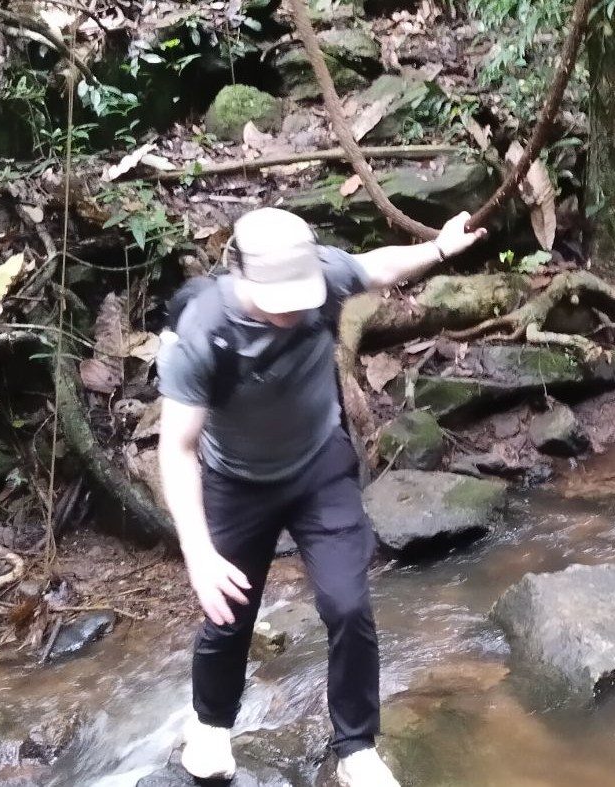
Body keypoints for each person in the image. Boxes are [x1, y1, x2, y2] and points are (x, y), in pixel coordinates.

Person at [155, 206, 486, 785]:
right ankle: (211, 727)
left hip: (319, 469)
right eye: (278, 298)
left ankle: (356, 747)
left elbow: (375, 268)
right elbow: (177, 447)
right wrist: (199, 555)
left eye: (298, 295)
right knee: (227, 608)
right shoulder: (203, 333)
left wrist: (439, 249)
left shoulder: (323, 277)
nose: (291, 310)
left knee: (348, 603)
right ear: (241, 277)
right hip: (236, 482)